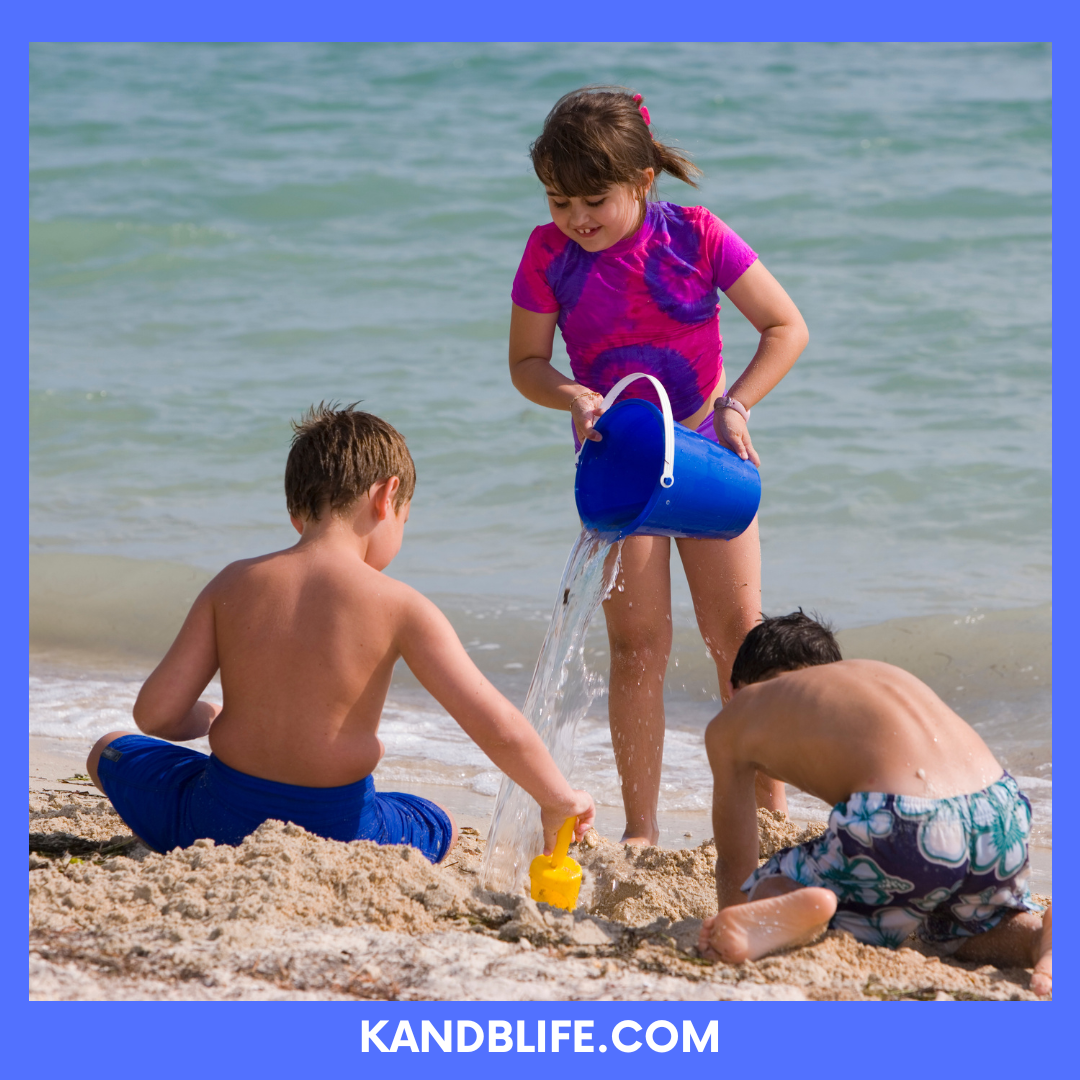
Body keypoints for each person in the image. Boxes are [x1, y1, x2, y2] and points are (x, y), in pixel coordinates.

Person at [86, 404, 595, 864]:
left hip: (213, 821)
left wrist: (212, 715)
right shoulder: (401, 605)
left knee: (110, 748)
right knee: (438, 818)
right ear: (386, 495)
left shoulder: (233, 582)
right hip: (343, 832)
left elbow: (154, 714)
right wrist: (559, 799)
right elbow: (497, 725)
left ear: (295, 512)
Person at [508, 86, 808, 845]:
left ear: (643, 181)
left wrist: (736, 406)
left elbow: (785, 326)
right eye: (557, 199)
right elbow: (525, 362)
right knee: (637, 648)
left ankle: (767, 818)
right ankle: (641, 831)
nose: (575, 217)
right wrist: (571, 394)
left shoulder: (697, 236)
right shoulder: (549, 256)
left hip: (707, 450)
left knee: (739, 637)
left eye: (593, 199)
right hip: (618, 468)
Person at [696, 612, 1052, 996]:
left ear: (734, 688)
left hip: (906, 820)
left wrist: (735, 912)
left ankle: (791, 903)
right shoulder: (875, 675)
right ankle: (1037, 938)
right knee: (950, 932)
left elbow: (735, 860)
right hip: (1000, 813)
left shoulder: (740, 711)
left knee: (772, 876)